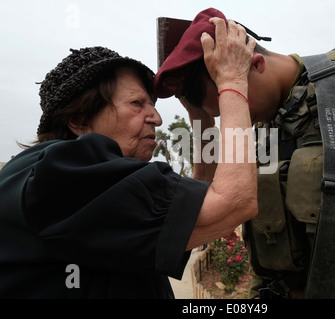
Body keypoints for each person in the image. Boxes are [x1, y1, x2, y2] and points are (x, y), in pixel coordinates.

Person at [153, 8, 335, 299]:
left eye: (238, 103)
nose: (241, 119)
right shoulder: (266, 131)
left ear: (256, 64)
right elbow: (267, 251)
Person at [0, 19, 258, 298]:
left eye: (152, 105)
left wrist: (200, 118)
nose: (157, 118)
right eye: (137, 104)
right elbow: (234, 202)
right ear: (78, 119)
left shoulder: (47, 173)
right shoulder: (63, 173)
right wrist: (232, 81)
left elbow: (196, 212)